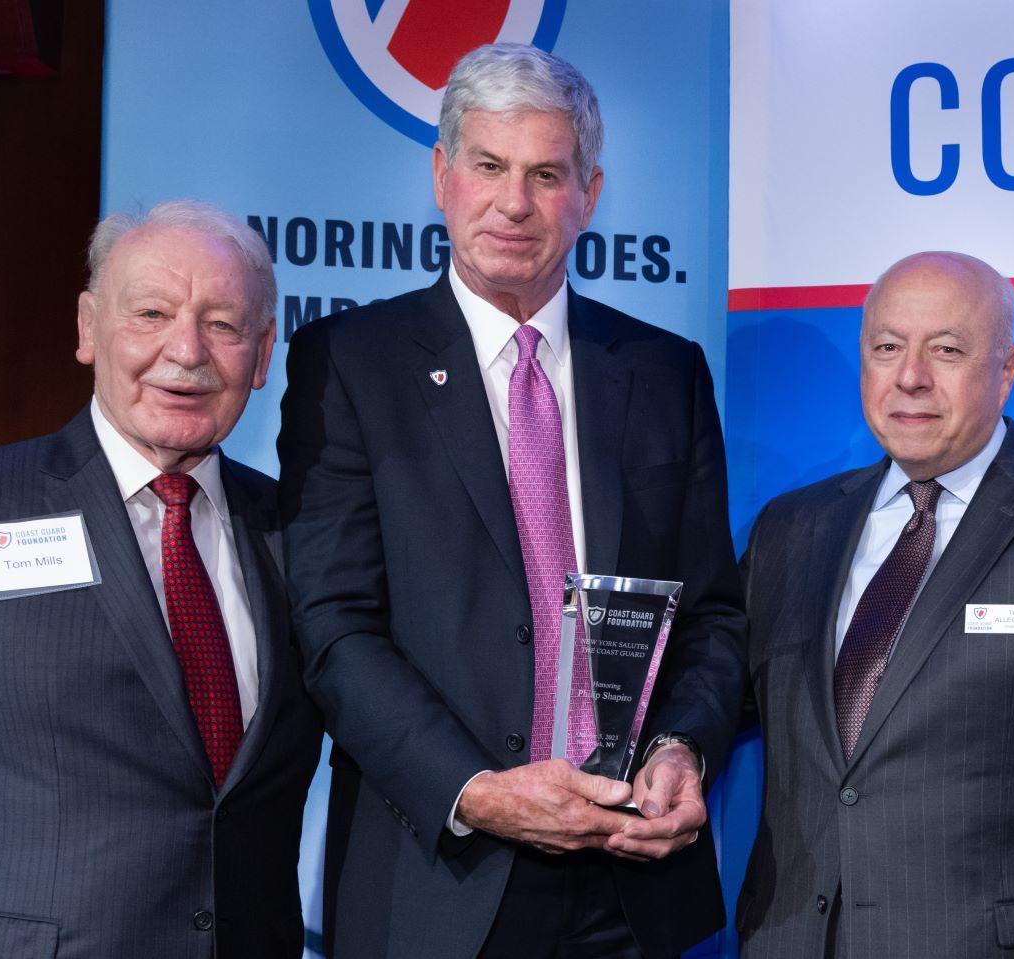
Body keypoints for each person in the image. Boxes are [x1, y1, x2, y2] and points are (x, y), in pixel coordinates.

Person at [278, 43, 745, 959]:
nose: (514, 202)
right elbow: (333, 625)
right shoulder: (351, 364)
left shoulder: (666, 372)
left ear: (590, 194)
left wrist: (682, 747)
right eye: (489, 166)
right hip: (437, 871)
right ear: (442, 176)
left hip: (629, 880)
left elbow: (712, 616)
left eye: (546, 174)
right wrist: (480, 791)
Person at [0, 201, 322, 959]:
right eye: (151, 314)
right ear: (88, 328)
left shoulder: (299, 532)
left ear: (264, 352)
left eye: (222, 324)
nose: (186, 351)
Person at [736, 251, 1014, 958]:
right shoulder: (791, 528)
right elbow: (717, 694)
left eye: (946, 350)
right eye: (887, 347)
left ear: (1006, 369)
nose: (910, 376)